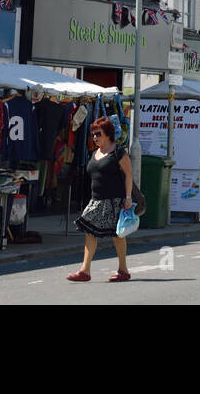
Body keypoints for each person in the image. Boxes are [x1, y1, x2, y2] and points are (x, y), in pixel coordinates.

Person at [68, 116, 134, 283]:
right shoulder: (94, 153)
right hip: (97, 201)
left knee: (117, 234)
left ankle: (123, 270)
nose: (95, 137)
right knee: (89, 229)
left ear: (108, 134)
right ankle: (85, 270)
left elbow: (128, 175)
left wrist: (128, 197)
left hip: (115, 200)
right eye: (93, 134)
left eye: (98, 134)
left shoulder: (118, 152)